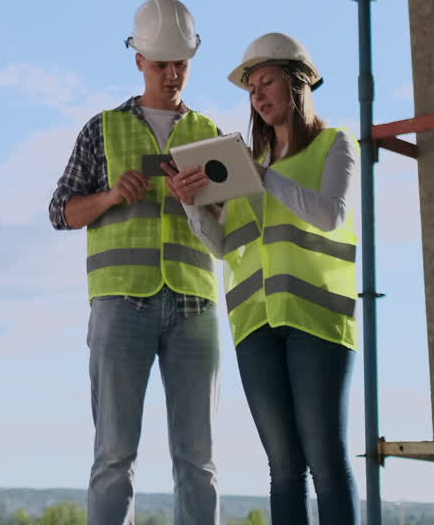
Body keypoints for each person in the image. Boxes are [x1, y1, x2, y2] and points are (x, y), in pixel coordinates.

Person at [164, 32, 359, 525]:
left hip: (316, 319)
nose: (258, 95)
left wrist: (263, 174)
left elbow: (331, 214)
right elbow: (225, 244)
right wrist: (193, 207)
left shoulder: (335, 144)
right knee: (283, 467)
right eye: (251, 89)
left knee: (325, 460)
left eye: (266, 82)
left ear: (296, 84)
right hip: (254, 324)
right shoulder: (244, 165)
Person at [48, 0, 221, 525]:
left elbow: (229, 232)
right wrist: (109, 198)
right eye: (163, 63)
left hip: (194, 307)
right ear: (139, 60)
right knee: (115, 456)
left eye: (181, 64)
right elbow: (61, 211)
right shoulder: (102, 129)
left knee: (197, 461)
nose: (173, 74)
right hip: (122, 306)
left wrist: (196, 202)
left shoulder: (211, 135)